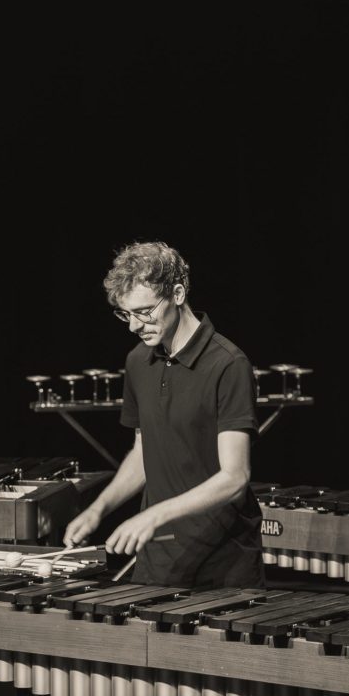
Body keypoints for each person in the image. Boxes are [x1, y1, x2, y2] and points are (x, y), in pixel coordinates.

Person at [63, 241, 264, 588]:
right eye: (125, 315)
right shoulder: (138, 361)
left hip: (222, 560)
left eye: (144, 311)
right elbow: (144, 452)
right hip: (158, 557)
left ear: (178, 293)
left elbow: (235, 477)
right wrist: (100, 508)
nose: (134, 326)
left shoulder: (228, 364)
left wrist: (155, 514)